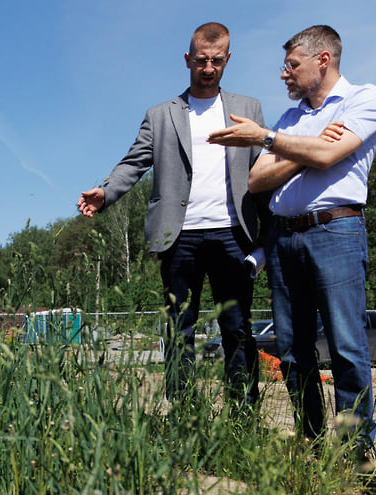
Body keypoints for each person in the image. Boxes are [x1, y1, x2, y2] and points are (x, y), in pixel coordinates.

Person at [208, 25, 376, 451]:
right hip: (285, 242)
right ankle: (309, 441)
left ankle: (354, 452)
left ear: (322, 60)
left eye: (292, 65)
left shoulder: (365, 98)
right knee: (291, 351)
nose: (284, 75)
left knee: (346, 347)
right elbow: (256, 180)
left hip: (336, 232)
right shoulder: (293, 119)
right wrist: (304, 147)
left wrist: (270, 140)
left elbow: (329, 155)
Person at [78, 22, 268, 408]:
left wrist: (272, 232)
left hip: (234, 234)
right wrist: (106, 192)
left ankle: (243, 416)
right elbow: (135, 162)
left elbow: (263, 168)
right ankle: (183, 415)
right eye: (201, 60)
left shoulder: (248, 109)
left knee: (237, 328)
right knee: (179, 328)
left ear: (228, 59)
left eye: (217, 60)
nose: (209, 67)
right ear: (188, 59)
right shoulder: (161, 115)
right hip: (179, 238)